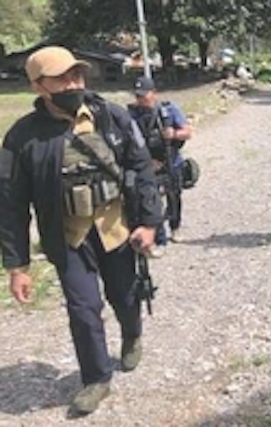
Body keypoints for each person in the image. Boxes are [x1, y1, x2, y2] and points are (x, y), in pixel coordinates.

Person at [0, 46, 163, 415]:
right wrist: (17, 266)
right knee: (83, 308)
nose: (74, 83)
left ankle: (132, 333)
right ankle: (96, 378)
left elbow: (143, 173)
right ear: (38, 86)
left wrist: (149, 224)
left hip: (116, 229)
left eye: (77, 75)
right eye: (62, 78)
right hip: (68, 237)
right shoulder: (23, 137)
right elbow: (11, 205)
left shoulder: (112, 118)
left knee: (124, 296)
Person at [128, 77, 193, 257]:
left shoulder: (169, 110)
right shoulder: (132, 115)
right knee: (151, 200)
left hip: (171, 162)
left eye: (144, 95)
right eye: (138, 96)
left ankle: (175, 225)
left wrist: (174, 133)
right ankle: (159, 237)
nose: (141, 99)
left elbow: (187, 132)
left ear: (153, 93)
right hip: (148, 165)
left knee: (174, 197)